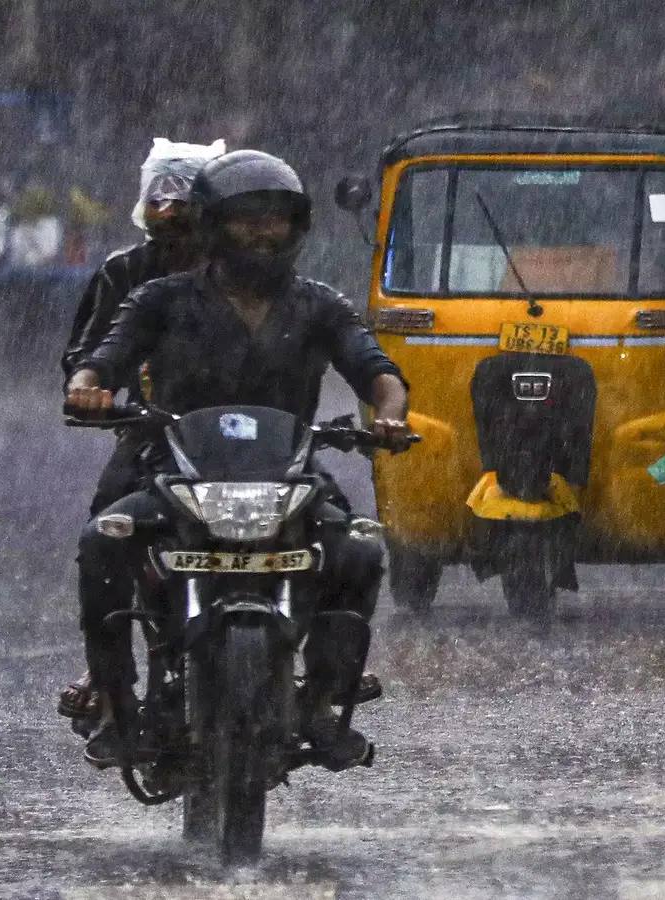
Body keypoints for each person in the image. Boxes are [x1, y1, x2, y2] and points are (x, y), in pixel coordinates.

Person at [65, 149, 411, 768]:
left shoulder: (321, 305)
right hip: (169, 467)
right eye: (248, 217)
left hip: (292, 472)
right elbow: (105, 356)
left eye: (278, 219)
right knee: (102, 542)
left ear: (298, 228)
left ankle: (325, 699)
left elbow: (377, 370)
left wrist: (388, 413)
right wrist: (87, 385)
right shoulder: (160, 300)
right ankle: (117, 703)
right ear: (212, 225)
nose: (264, 232)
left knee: (358, 548)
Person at [55, 138, 224, 734]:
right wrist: (92, 385)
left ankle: (318, 663)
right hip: (160, 436)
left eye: (189, 199)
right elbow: (91, 353)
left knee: (328, 527)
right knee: (106, 530)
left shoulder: (253, 276)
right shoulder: (126, 275)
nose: (175, 213)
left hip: (256, 439)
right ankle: (108, 675)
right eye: (164, 198)